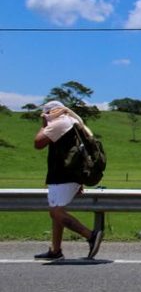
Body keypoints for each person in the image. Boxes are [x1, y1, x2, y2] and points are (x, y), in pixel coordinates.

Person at [33, 101, 104, 260]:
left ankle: (91, 236)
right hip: (68, 174)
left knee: (55, 212)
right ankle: (56, 250)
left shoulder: (60, 123)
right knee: (57, 210)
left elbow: (38, 143)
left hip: (63, 175)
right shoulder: (73, 121)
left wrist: (44, 124)